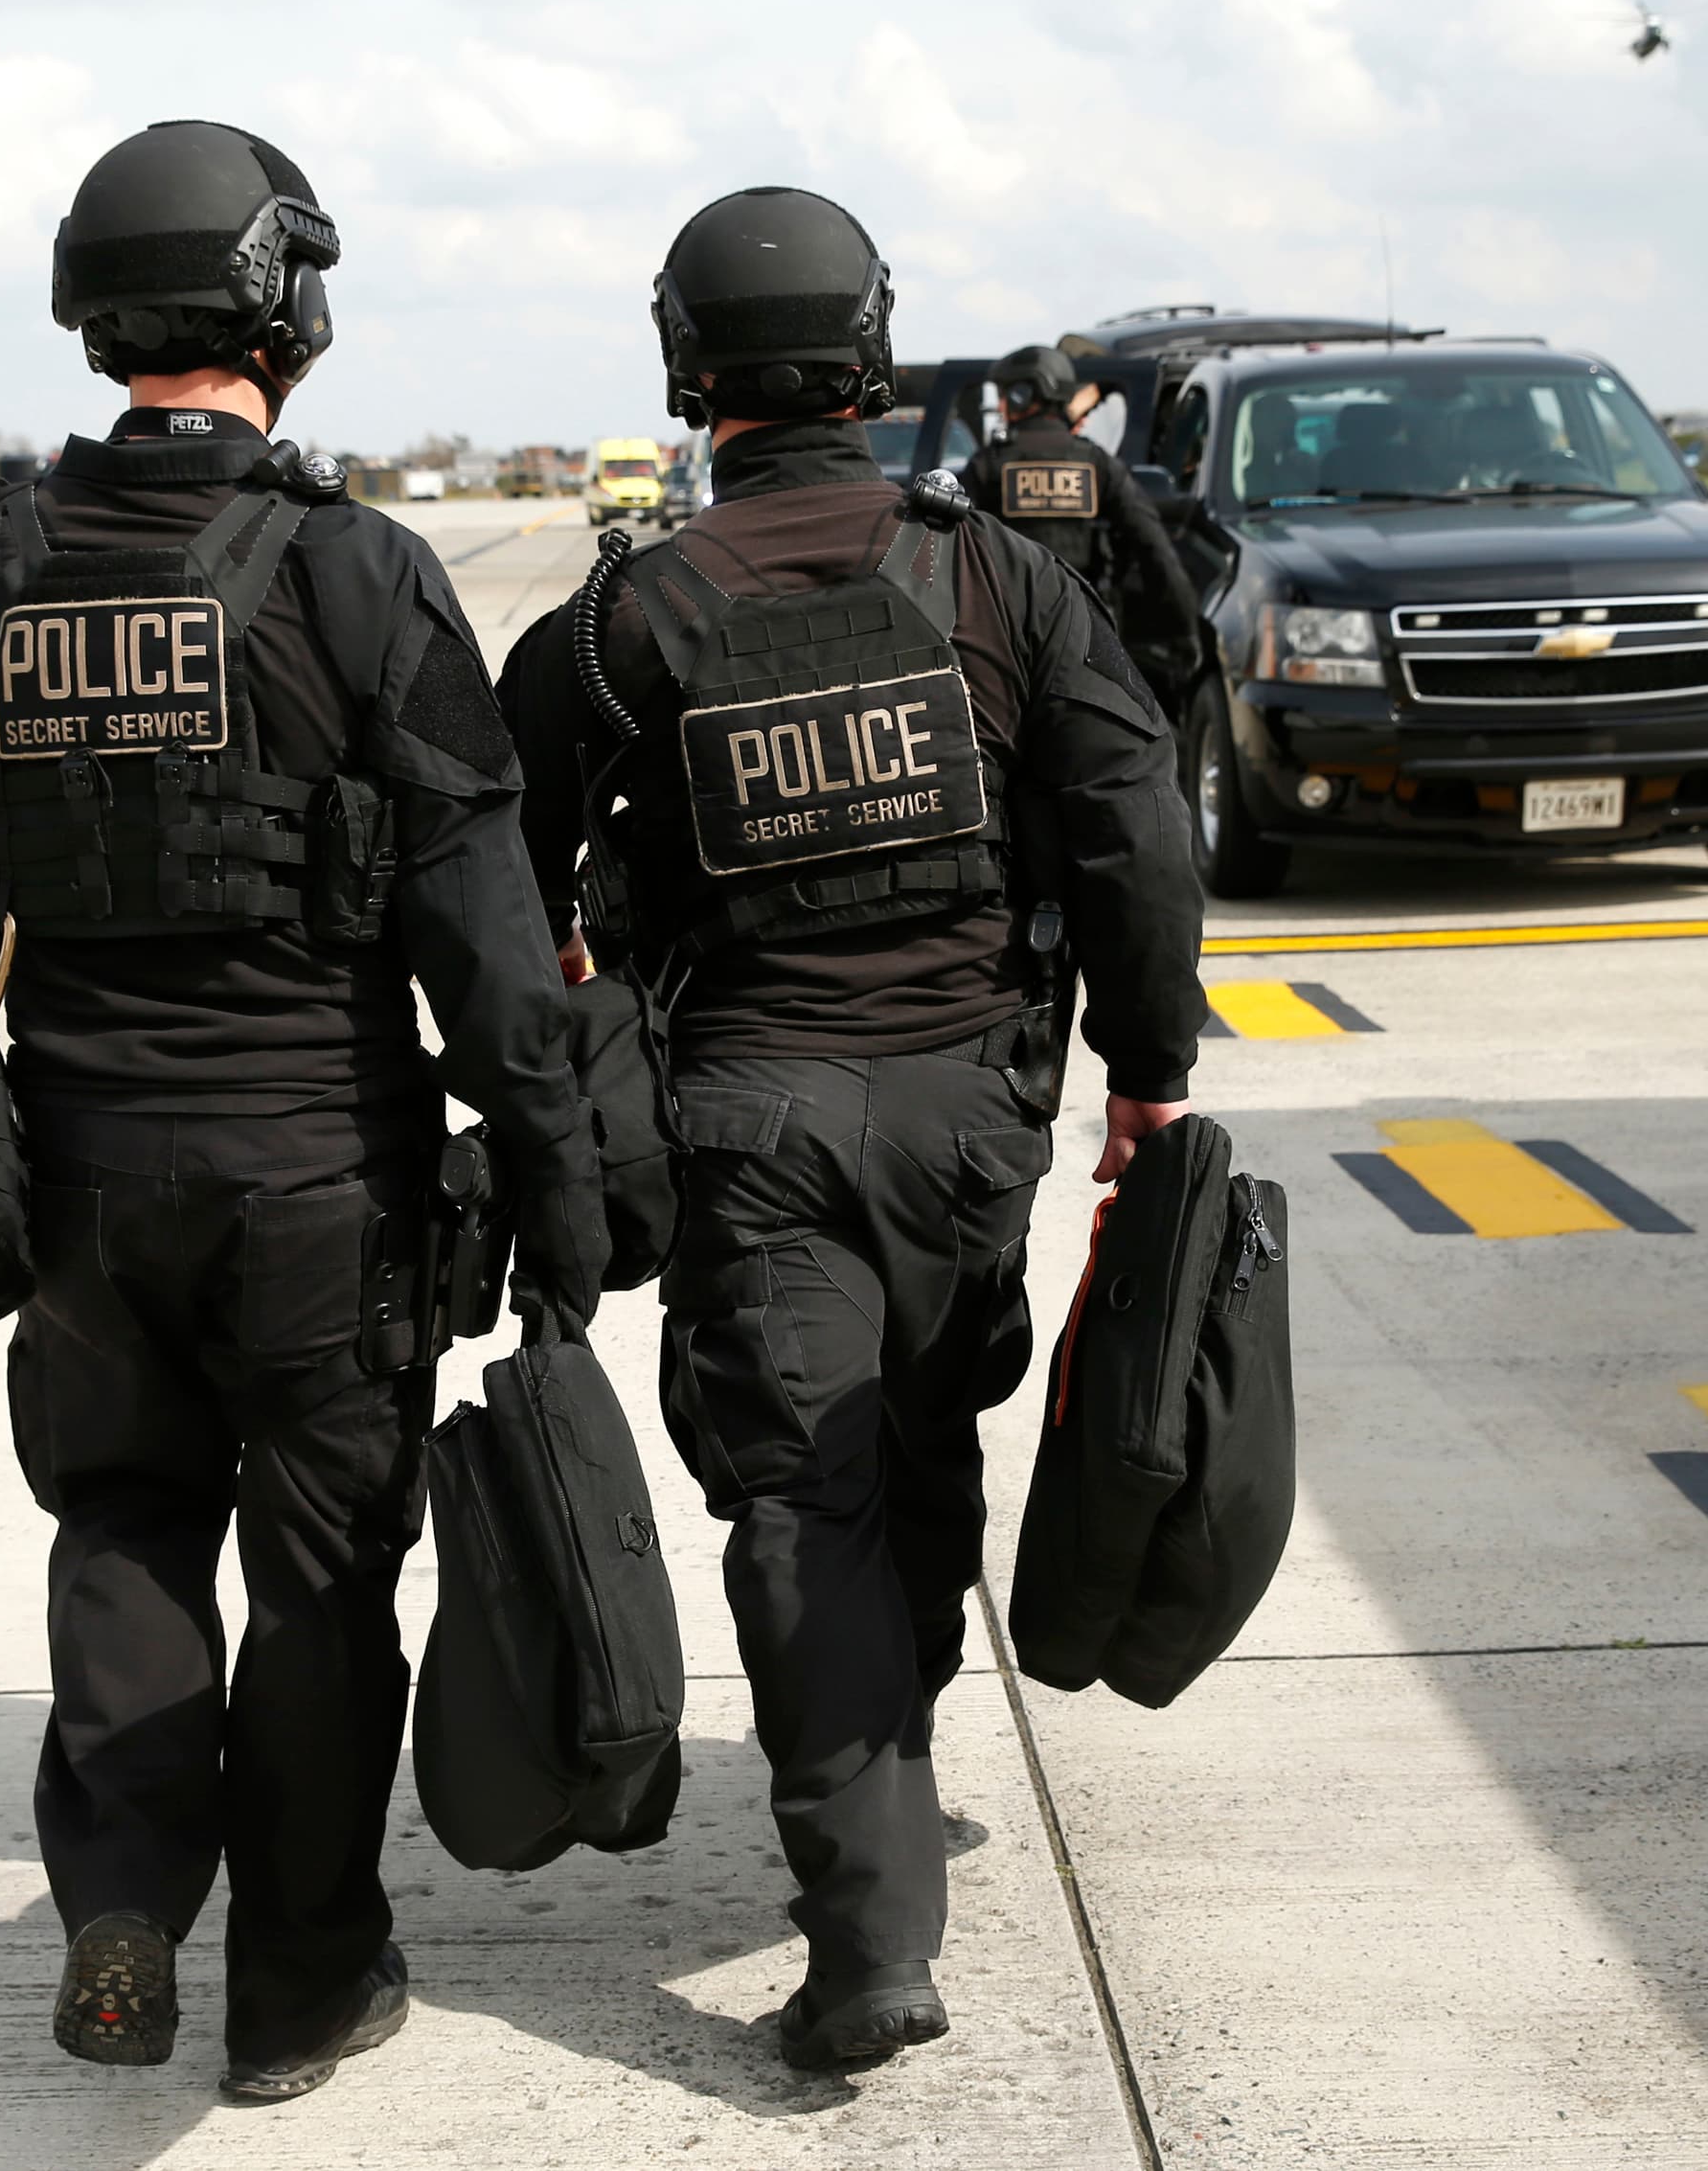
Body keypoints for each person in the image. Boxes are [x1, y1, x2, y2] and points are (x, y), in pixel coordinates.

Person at [0, 120, 606, 2104]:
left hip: (82, 1181)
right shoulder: (356, 573)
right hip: (325, 1182)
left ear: (95, 310)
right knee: (319, 1585)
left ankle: (122, 1889)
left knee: (122, 1526)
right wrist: (554, 1191)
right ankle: (299, 1989)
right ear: (287, 304)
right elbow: (483, 930)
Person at [497, 187, 1206, 2072]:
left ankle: (872, 1917)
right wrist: (1148, 1074)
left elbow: (490, 852)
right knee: (911, 1448)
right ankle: (884, 1792)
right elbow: (1136, 820)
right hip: (973, 1121)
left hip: (751, 1123)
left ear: (688, 369)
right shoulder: (998, 582)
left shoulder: (626, 614)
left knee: (801, 1504)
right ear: (872, 349)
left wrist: (556, 1037)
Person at [961, 344, 1201, 685]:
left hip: (1007, 639)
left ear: (1023, 394)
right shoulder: (1096, 464)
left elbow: (949, 547)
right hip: (1086, 639)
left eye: (1004, 395)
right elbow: (1154, 546)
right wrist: (1184, 630)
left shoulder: (989, 466)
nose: (1000, 406)